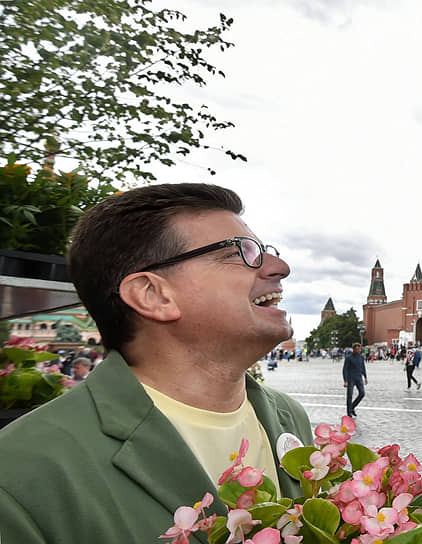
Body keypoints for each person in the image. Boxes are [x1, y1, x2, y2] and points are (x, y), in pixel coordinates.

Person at [0, 184, 314, 542]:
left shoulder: (289, 417)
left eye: (266, 251)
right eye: (241, 252)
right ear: (153, 295)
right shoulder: (23, 473)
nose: (280, 267)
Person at [343, 342, 367, 417]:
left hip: (359, 378)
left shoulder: (361, 357)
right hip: (351, 378)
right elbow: (345, 369)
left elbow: (363, 367)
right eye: (356, 349)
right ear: (353, 349)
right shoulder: (349, 358)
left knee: (362, 393)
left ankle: (352, 407)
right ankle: (349, 412)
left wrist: (365, 377)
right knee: (349, 395)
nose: (358, 350)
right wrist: (345, 380)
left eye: (359, 349)